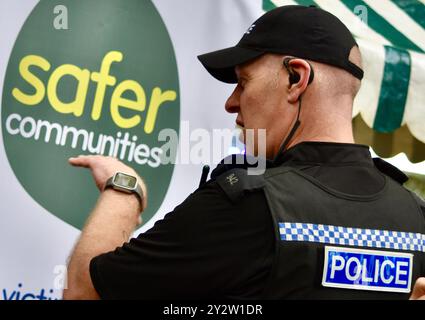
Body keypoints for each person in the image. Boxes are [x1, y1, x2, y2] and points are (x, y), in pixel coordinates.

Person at [63, 5, 425, 300]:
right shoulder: (415, 216)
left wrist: (124, 190)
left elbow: (83, 291)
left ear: (296, 79)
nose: (230, 103)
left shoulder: (250, 204)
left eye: (243, 82)